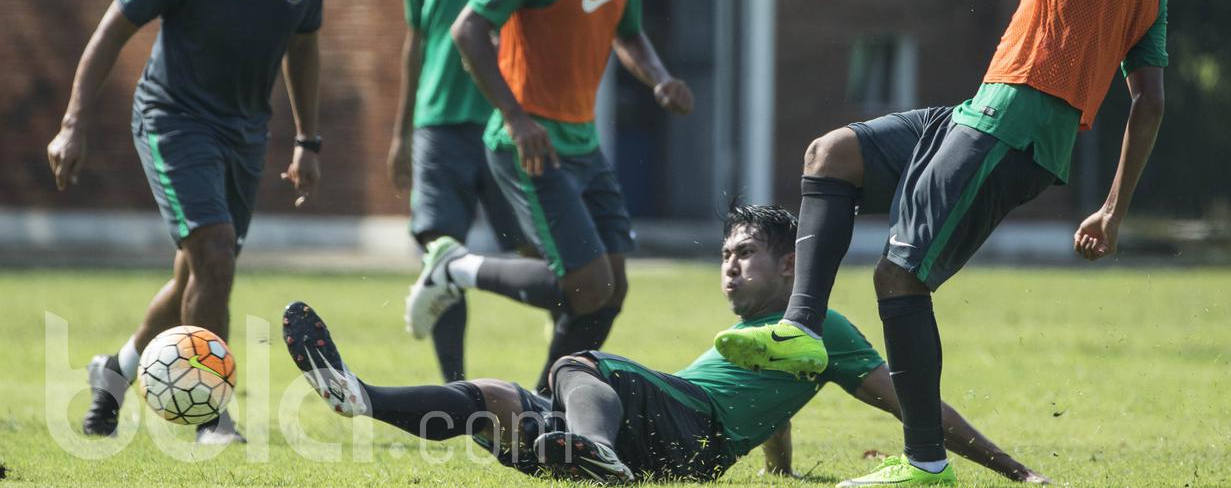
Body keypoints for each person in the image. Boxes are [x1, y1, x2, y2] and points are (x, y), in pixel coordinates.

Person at [714, 0, 1165, 486]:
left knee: (899, 278)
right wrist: (1112, 208)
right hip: (980, 114)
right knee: (830, 153)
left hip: (1008, 126)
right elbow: (1150, 100)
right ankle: (801, 330)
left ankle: (926, 465)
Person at [283, 203, 1049, 483]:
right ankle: (360, 397)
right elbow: (782, 392)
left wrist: (1015, 471)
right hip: (663, 437)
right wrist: (780, 472)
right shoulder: (774, 340)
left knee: (579, 364)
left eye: (743, 255)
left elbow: (912, 401)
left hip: (682, 428)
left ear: (790, 264)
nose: (728, 268)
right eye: (723, 257)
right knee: (494, 401)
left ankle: (590, 447)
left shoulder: (829, 329)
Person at [46, 0, 327, 443]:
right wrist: (72, 123)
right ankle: (210, 414)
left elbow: (304, 48)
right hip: (173, 118)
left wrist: (308, 140)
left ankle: (114, 373)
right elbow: (111, 30)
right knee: (216, 254)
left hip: (246, 132)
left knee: (195, 274)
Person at [406, 0, 693, 394]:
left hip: (584, 143)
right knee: (587, 286)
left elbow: (629, 34)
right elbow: (468, 30)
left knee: (612, 290)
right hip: (526, 145)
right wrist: (515, 117)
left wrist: (660, 79)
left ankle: (542, 407)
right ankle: (455, 269)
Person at [390, 0, 539, 383]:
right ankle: (455, 389)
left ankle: (561, 369)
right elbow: (415, 40)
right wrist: (401, 132)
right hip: (439, 124)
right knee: (440, 253)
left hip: (507, 123)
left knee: (542, 254)